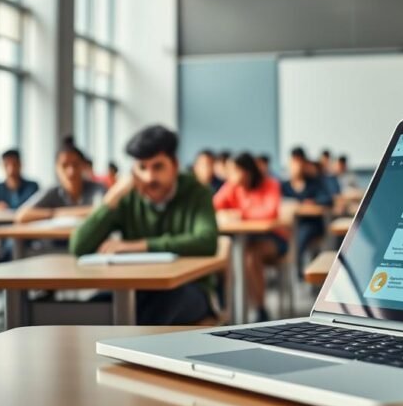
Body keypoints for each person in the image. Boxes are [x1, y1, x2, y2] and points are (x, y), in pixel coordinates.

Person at [69, 125, 218, 325]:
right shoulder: (127, 197)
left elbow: (207, 241)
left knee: (156, 310)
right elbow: (79, 245)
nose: (149, 178)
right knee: (88, 312)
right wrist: (111, 198)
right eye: (142, 168)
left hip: (189, 288)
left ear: (174, 165)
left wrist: (140, 245)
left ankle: (128, 354)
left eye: (158, 167)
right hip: (134, 287)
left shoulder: (197, 192)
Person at [213, 153, 287, 322]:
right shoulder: (233, 186)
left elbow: (269, 213)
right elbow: (214, 204)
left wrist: (239, 214)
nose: (229, 174)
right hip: (246, 240)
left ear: (245, 171)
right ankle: (229, 310)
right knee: (228, 257)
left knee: (250, 258)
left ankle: (260, 309)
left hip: (273, 237)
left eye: (233, 170)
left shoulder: (270, 184)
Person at [16, 144, 106, 224]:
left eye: (75, 165)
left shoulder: (97, 189)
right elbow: (22, 216)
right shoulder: (52, 191)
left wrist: (60, 214)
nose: (71, 171)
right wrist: (55, 213)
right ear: (56, 168)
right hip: (54, 242)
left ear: (83, 166)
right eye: (64, 165)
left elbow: (102, 212)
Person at [281, 149, 332, 277]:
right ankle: (295, 271)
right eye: (293, 163)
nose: (296, 167)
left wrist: (314, 201)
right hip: (291, 225)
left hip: (311, 224)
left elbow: (328, 199)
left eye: (299, 163)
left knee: (300, 236)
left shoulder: (314, 182)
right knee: (292, 235)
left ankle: (298, 273)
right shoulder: (284, 185)